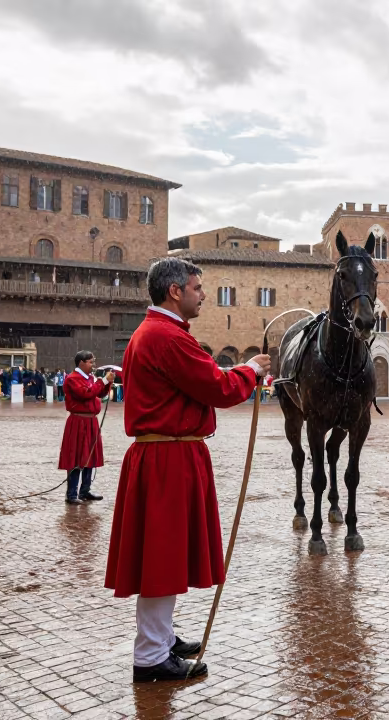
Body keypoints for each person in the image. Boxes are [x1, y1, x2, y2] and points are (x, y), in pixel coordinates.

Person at [105, 257, 270, 682]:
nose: (202, 296)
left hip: (167, 455)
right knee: (162, 556)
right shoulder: (166, 336)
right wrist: (250, 371)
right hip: (167, 460)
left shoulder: (158, 332)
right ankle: (151, 656)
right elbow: (217, 387)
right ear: (175, 291)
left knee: (166, 554)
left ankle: (160, 637)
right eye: (197, 288)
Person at [60, 351, 114, 505]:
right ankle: (71, 494)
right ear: (81, 362)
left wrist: (107, 382)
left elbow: (100, 393)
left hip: (91, 422)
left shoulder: (91, 378)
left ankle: (85, 491)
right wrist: (102, 381)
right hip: (78, 421)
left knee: (90, 456)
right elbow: (86, 393)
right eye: (90, 362)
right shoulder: (72, 379)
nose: (93, 364)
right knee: (76, 457)